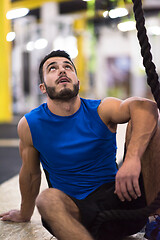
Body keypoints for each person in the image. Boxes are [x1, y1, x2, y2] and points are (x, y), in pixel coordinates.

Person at [0, 50, 159, 240]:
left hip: (122, 200)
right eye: (53, 68)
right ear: (43, 87)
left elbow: (146, 106)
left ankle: (155, 221)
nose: (62, 71)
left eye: (67, 67)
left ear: (78, 82)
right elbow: (31, 173)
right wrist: (25, 213)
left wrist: (132, 160)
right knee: (46, 199)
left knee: (150, 124)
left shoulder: (101, 109)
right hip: (75, 215)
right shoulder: (30, 125)